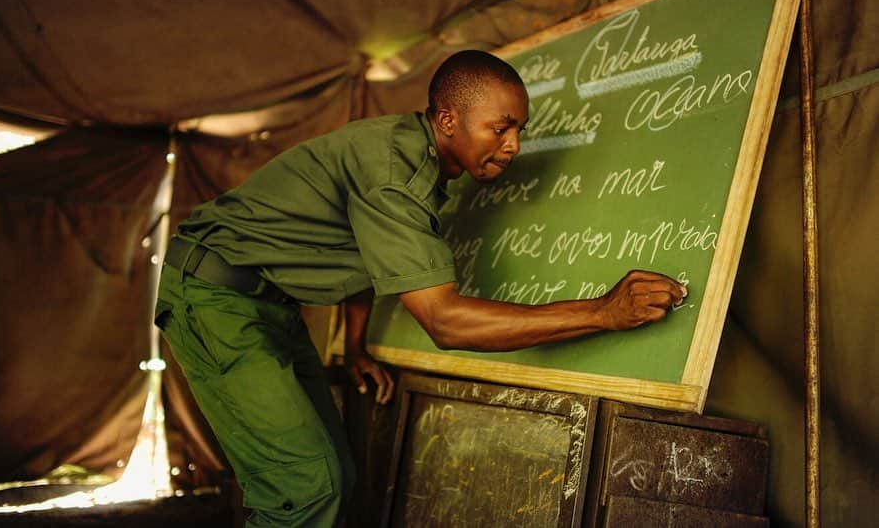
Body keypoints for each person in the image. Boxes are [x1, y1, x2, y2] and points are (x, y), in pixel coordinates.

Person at [154, 50, 686, 527]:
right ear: (448, 119)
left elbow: (364, 252)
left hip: (267, 304)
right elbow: (445, 322)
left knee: (333, 470)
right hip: (214, 299)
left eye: (519, 130)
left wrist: (357, 343)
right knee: (304, 488)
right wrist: (601, 313)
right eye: (500, 128)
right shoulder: (396, 172)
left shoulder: (419, 161)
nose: (513, 146)